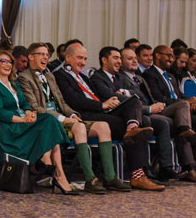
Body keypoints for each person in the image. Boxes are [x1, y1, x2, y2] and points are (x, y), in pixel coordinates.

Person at [17, 42, 123, 194]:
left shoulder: (49, 75)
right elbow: (35, 107)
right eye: (41, 54)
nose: (46, 57)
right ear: (31, 57)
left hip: (62, 118)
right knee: (79, 127)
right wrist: (64, 118)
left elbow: (62, 102)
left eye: (47, 55)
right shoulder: (24, 78)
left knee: (103, 126)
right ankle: (90, 178)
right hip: (46, 121)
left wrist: (72, 114)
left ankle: (110, 177)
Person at [55, 42, 162, 191]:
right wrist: (102, 105)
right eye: (79, 58)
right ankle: (136, 175)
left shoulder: (83, 77)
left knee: (134, 103)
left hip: (100, 111)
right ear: (68, 58)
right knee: (137, 126)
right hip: (84, 114)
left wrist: (109, 102)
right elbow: (74, 100)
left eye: (85, 59)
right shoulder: (60, 75)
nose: (83, 62)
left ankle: (132, 130)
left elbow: (96, 96)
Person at [0, 49, 78, 194]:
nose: (8, 65)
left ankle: (54, 166)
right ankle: (57, 172)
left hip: (22, 123)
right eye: (3, 61)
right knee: (48, 123)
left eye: (10, 62)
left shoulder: (14, 84)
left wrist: (29, 113)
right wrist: (22, 119)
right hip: (7, 128)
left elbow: (25, 104)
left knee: (49, 119)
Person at [90, 46, 175, 183]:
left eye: (119, 58)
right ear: (104, 60)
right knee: (144, 120)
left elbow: (138, 93)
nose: (119, 62)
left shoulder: (120, 76)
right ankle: (141, 171)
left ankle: (164, 167)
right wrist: (129, 98)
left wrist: (126, 92)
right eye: (115, 58)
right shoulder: (97, 77)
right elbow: (109, 96)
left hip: (130, 114)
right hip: (112, 115)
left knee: (160, 123)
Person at [138, 45, 196, 182]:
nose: (171, 59)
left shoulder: (170, 76)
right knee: (183, 109)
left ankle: (190, 169)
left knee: (188, 119)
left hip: (178, 112)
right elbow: (157, 97)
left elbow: (179, 95)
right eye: (168, 55)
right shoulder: (149, 74)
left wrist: (191, 101)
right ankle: (184, 130)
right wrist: (185, 102)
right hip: (162, 109)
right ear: (158, 56)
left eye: (172, 56)